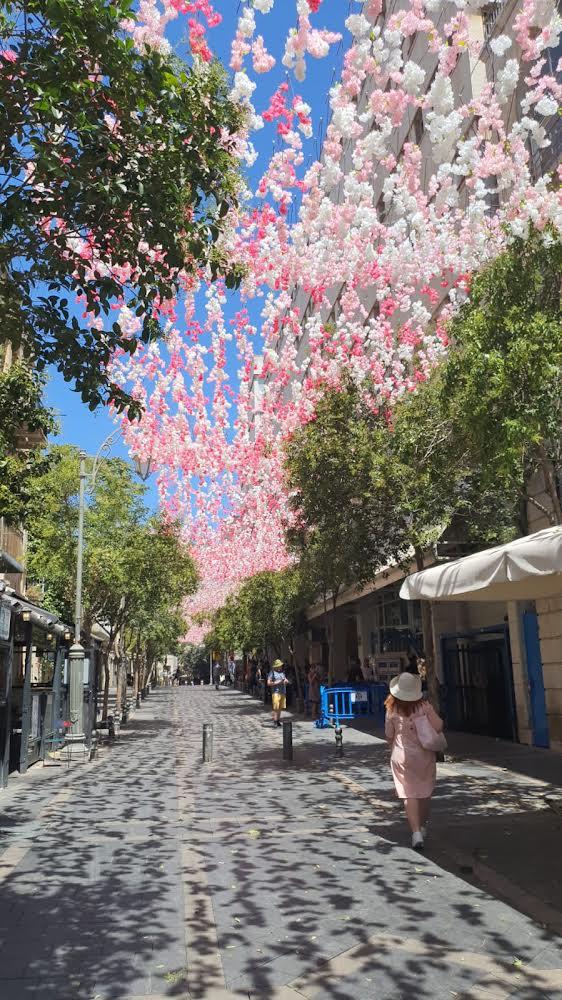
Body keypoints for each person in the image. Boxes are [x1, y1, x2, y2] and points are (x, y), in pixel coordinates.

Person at [384, 672, 444, 851]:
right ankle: (423, 826)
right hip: (424, 755)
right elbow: (439, 726)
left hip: (401, 756)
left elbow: (389, 735)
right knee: (425, 792)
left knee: (409, 794)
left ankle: (415, 832)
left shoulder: (391, 710)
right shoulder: (425, 706)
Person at [268, 658, 290, 727]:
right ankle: (275, 721)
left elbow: (285, 680)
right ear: (276, 666)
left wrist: (286, 681)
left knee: (280, 708)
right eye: (279, 665)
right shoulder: (272, 673)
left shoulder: (282, 673)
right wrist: (277, 682)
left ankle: (278, 721)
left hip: (282, 692)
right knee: (276, 707)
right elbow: (268, 683)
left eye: (281, 665)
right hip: (276, 692)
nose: (280, 667)